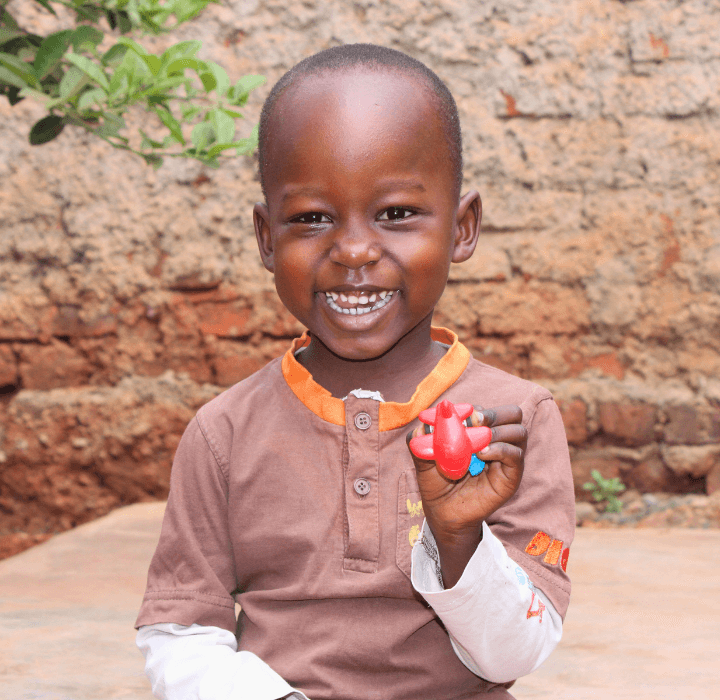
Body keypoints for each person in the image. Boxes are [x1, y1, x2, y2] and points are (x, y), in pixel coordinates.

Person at [135, 44, 575, 700]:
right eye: (311, 218)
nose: (355, 250)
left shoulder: (513, 421)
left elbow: (516, 651)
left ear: (462, 227)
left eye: (396, 214)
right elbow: (180, 632)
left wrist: (458, 540)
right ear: (266, 238)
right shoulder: (223, 432)